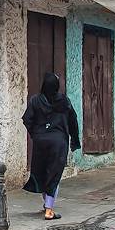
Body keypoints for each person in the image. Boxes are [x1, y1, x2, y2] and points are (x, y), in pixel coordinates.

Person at [22, 73, 81, 220]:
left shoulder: (36, 100)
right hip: (58, 142)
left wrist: (36, 133)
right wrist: (75, 139)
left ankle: (46, 204)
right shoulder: (64, 101)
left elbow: (27, 119)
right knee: (54, 174)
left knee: (42, 172)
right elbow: (73, 120)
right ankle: (49, 209)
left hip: (40, 141)